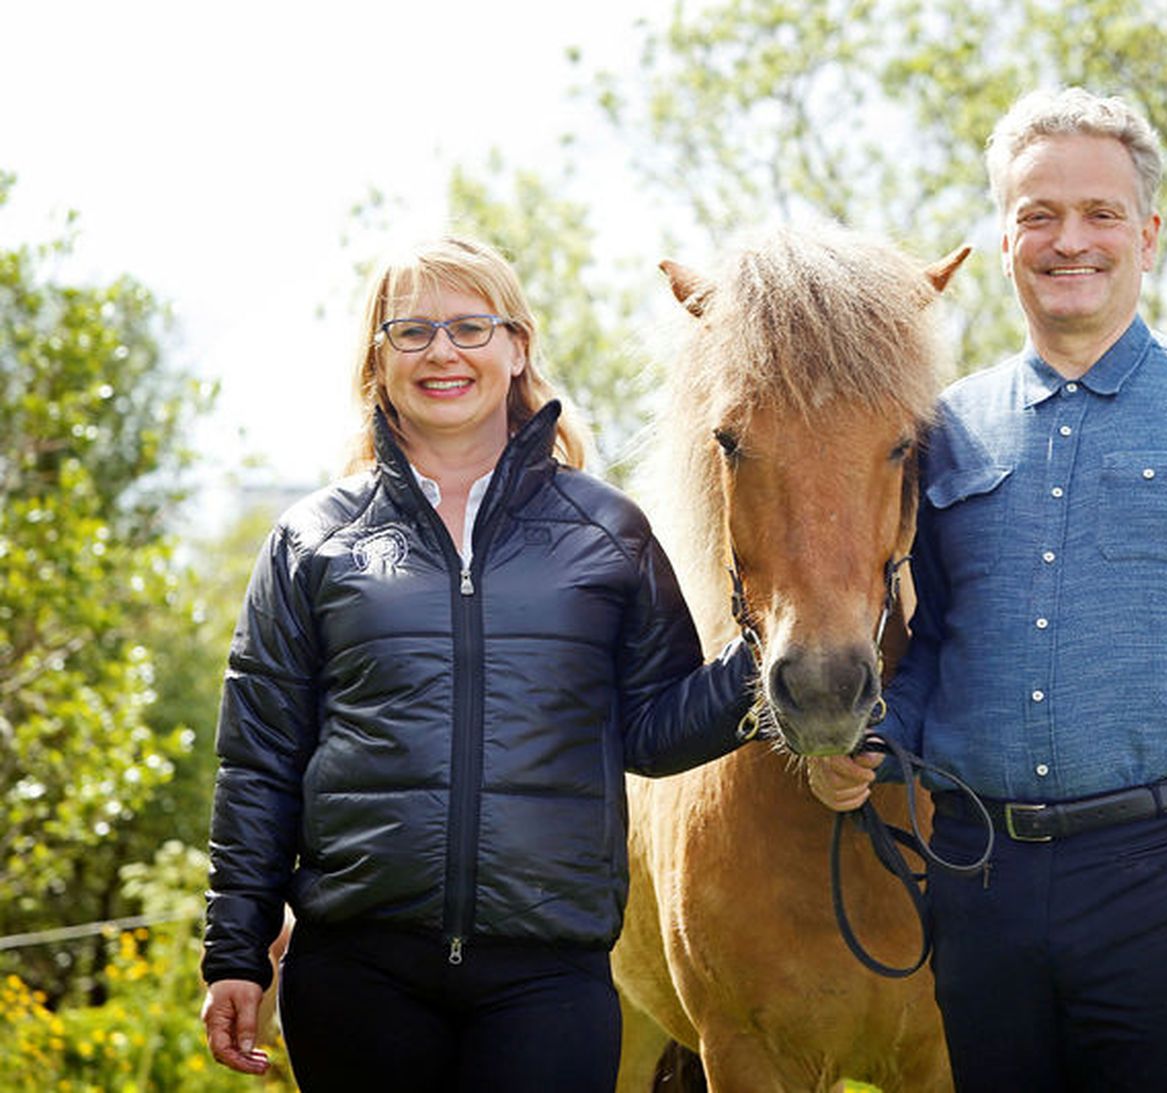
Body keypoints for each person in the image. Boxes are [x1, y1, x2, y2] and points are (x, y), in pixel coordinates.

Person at [808, 88, 1167, 1089]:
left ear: (1145, 234)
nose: (1069, 241)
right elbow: (932, 651)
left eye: (1099, 213)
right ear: (1004, 237)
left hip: (1152, 875)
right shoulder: (943, 429)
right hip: (974, 872)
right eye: (1037, 216)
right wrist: (871, 747)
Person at [198, 236, 756, 1092]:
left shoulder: (608, 530)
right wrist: (235, 950)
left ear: (517, 345)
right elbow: (259, 762)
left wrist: (769, 661)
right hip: (356, 971)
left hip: (548, 975)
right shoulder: (313, 539)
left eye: (469, 326)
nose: (442, 352)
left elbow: (649, 732)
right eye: (412, 331)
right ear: (376, 360)